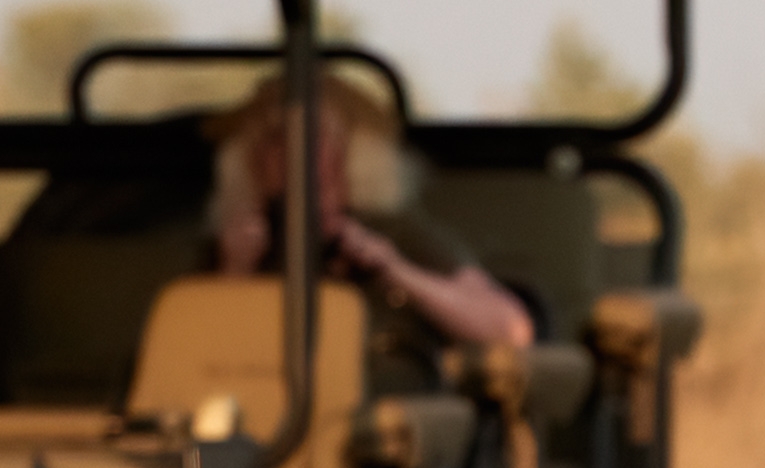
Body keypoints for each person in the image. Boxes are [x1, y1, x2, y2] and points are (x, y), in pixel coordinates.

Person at [207, 73, 534, 378]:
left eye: (312, 138)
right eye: (275, 141)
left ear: (350, 150)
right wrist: (236, 270)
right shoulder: (239, 242)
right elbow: (202, 359)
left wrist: (394, 269)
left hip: (384, 414)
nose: (292, 155)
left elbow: (509, 329)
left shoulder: (395, 231)